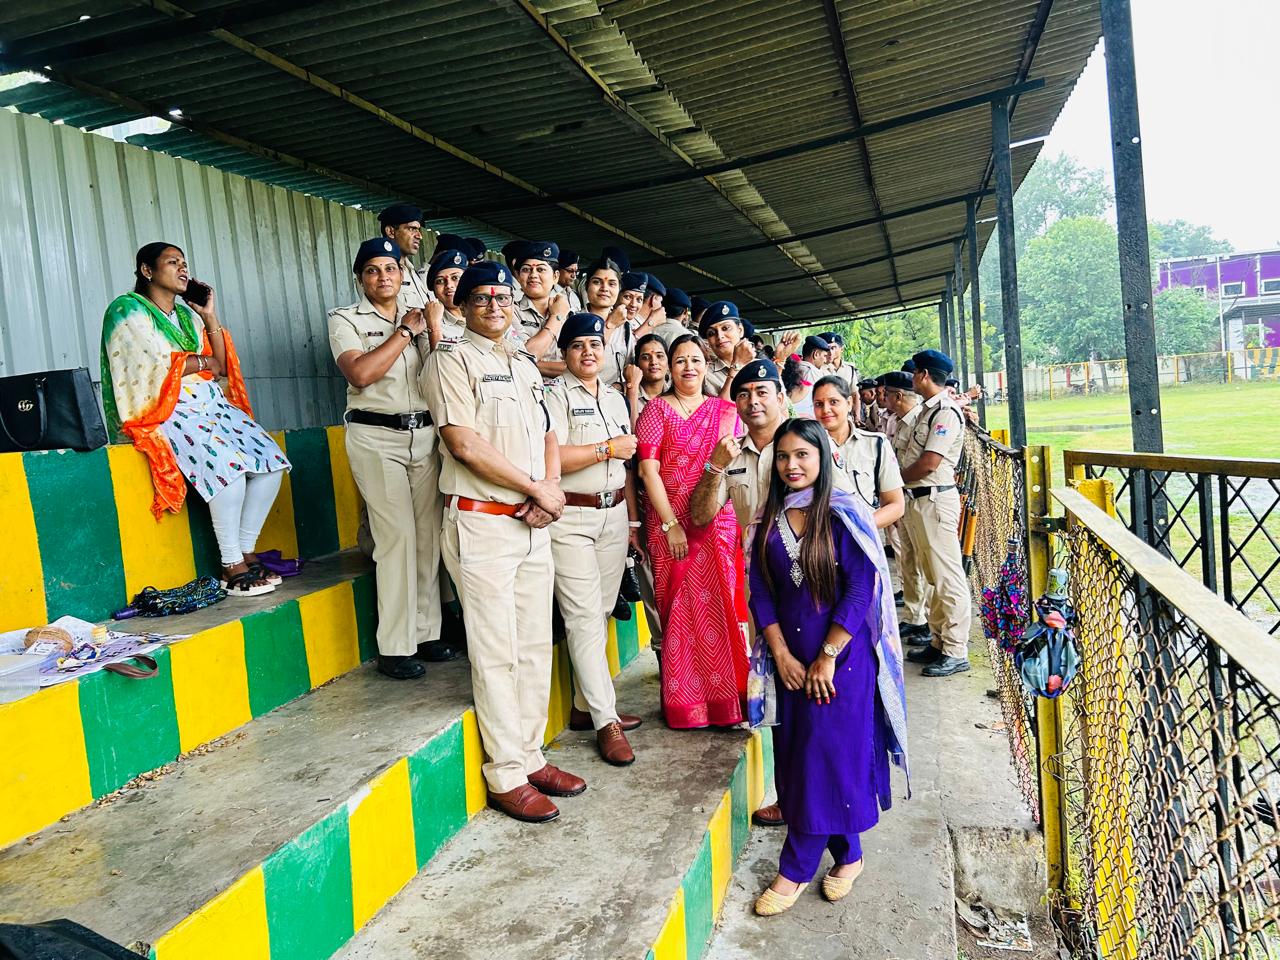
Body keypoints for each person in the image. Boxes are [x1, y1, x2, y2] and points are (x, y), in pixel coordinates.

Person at [424, 260, 585, 823]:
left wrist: (549, 491)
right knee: (495, 652)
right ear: (461, 306)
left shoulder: (521, 364)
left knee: (535, 645)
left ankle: (531, 754)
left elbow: (546, 432)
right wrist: (536, 488)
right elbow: (464, 444)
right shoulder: (450, 359)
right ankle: (505, 774)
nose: (495, 304)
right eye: (482, 297)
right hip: (481, 522)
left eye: (502, 296)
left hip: (530, 522)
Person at [745, 417, 908, 916]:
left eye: (803, 455)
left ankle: (794, 868)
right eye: (785, 457)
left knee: (822, 754)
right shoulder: (768, 518)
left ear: (823, 459)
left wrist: (827, 657)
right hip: (790, 663)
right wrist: (781, 654)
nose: (792, 466)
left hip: (843, 662)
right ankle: (850, 854)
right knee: (798, 754)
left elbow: (861, 590)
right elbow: (760, 590)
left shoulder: (845, 513)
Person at [101, 243, 290, 598]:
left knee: (272, 463)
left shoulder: (188, 317)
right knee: (229, 474)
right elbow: (152, 370)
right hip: (166, 409)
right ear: (147, 271)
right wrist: (200, 363)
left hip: (209, 403)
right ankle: (230, 564)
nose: (183, 269)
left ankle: (247, 552)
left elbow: (218, 364)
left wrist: (210, 317)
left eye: (185, 263)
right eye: (173, 263)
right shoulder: (127, 310)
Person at [328, 237, 459, 678]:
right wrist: (405, 331)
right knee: (397, 537)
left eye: (390, 269)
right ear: (360, 279)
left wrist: (432, 326)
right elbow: (360, 373)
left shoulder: (425, 315)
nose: (383, 277)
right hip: (375, 434)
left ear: (402, 274)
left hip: (422, 433)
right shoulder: (345, 319)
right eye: (372, 270)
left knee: (427, 535)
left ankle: (427, 633)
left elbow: (443, 369)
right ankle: (396, 645)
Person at [545, 313, 645, 765]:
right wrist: (606, 447)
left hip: (613, 513)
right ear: (564, 354)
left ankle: (586, 707)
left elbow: (626, 468)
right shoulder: (553, 395)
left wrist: (631, 522)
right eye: (578, 345)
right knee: (584, 616)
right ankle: (607, 721)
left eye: (595, 344)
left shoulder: (614, 398)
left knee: (602, 611)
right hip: (572, 514)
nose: (589, 352)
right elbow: (552, 456)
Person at [636, 334, 748, 729]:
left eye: (696, 360)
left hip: (716, 523)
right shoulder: (656, 411)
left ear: (706, 365)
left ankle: (726, 702)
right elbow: (648, 471)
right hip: (671, 528)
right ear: (668, 366)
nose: (688, 367)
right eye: (680, 360)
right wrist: (670, 526)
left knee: (720, 610)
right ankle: (686, 704)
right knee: (680, 615)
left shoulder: (725, 411)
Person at [898, 350, 971, 678]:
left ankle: (956, 648)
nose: (912, 378)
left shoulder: (945, 412)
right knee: (932, 574)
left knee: (946, 576)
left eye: (915, 373)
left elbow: (930, 462)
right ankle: (939, 640)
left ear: (924, 375)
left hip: (934, 500)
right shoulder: (928, 411)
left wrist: (892, 479)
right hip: (919, 500)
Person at [811, 376, 904, 530]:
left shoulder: (876, 444)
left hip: (863, 540)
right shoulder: (806, 448)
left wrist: (858, 528)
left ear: (849, 403)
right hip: (819, 540)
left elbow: (896, 504)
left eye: (833, 402)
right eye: (818, 404)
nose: (826, 410)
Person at [884, 371, 929, 641]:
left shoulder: (920, 420)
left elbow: (923, 464)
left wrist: (892, 486)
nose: (883, 398)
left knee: (926, 565)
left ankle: (933, 628)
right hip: (907, 497)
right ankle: (915, 617)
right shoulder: (900, 421)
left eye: (887, 393)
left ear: (898, 396)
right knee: (908, 560)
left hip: (921, 496)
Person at [509, 241, 571, 380]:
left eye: (541, 269)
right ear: (518, 277)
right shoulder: (509, 311)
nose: (533, 275)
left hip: (565, 395)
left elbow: (579, 366)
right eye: (526, 269)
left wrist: (529, 361)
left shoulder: (571, 315)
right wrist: (556, 317)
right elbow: (528, 355)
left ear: (555, 277)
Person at [377, 204, 434, 310]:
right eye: (412, 229)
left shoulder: (411, 271)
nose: (419, 236)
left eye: (418, 230)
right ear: (391, 231)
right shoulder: (378, 273)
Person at [699, 300, 756, 397]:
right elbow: (723, 410)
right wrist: (737, 366)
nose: (720, 336)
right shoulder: (705, 374)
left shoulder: (760, 364)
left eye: (725, 328)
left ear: (740, 330)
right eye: (711, 333)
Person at [426, 247, 470, 344]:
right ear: (434, 291)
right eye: (440, 281)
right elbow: (434, 359)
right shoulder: (429, 324)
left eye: (455, 278)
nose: (449, 285)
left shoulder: (485, 311)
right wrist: (434, 326)